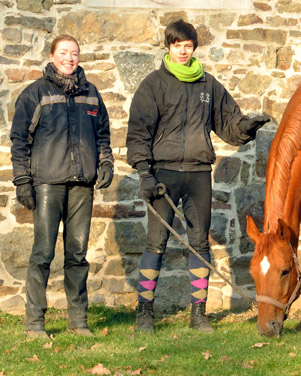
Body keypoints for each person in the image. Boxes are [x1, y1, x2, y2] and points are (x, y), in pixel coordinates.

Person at [126, 19, 269, 333]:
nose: (183, 51)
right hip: (162, 176)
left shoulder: (209, 85)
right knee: (156, 244)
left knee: (199, 245)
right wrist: (144, 173)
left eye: (188, 46)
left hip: (198, 175)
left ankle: (198, 315)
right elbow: (138, 133)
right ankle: (145, 315)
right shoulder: (153, 85)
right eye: (177, 46)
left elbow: (229, 123)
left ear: (194, 48)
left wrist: (247, 128)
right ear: (169, 47)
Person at [10, 35, 114, 339]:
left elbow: (103, 135)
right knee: (42, 254)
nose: (70, 58)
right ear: (53, 55)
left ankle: (78, 322)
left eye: (75, 53)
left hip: (82, 185)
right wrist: (22, 181)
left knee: (77, 255)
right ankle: (34, 324)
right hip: (47, 185)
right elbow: (19, 141)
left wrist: (105, 164)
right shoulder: (35, 93)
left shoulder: (91, 94)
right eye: (64, 53)